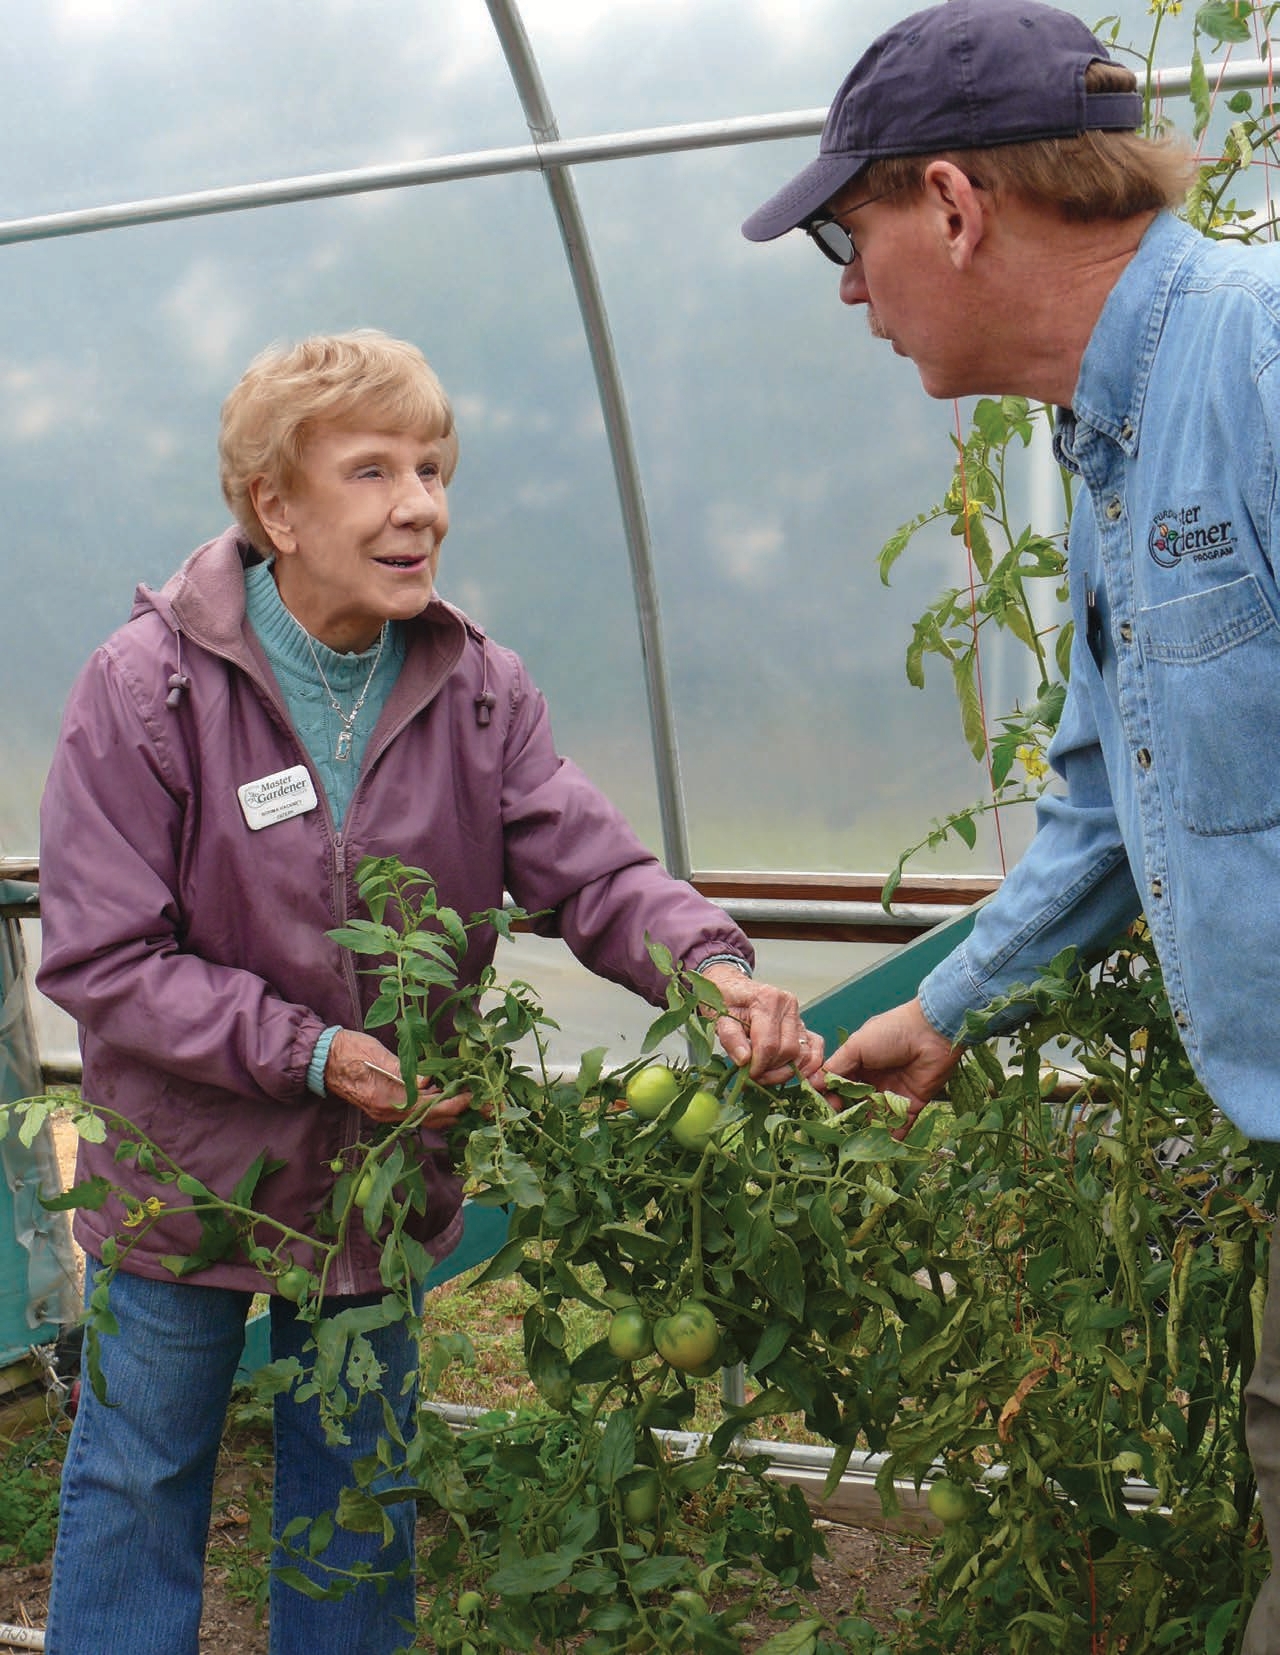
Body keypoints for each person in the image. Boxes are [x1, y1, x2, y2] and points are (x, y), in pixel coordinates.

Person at [34, 328, 824, 1655]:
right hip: (192, 1177)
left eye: (434, 468)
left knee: (354, 1494)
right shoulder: (148, 687)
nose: (419, 506)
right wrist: (309, 1051)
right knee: (139, 1473)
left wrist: (714, 972)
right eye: (373, 471)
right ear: (275, 507)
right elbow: (104, 959)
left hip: (377, 1178)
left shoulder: (474, 691)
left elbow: (596, 871)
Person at [742, 0, 1280, 1647]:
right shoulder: (1112, 436)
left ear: (959, 207)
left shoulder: (1258, 362)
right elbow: (1115, 794)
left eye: (855, 229)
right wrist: (948, 1003)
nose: (849, 285)